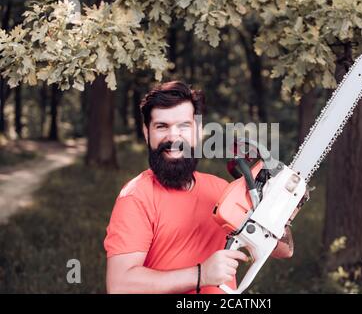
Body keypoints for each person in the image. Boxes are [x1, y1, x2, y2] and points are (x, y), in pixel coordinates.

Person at [104, 81, 298, 294]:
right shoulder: (136, 198)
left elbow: (283, 250)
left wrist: (277, 214)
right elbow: (120, 285)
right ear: (146, 132)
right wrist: (201, 275)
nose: (173, 136)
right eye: (162, 126)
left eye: (184, 126)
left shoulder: (221, 190)